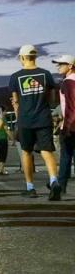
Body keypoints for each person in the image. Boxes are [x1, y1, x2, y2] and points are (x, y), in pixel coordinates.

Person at [9, 44, 61, 200]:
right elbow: (52, 98)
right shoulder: (46, 74)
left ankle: (30, 187)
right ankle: (54, 181)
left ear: (23, 57)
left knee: (26, 152)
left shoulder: (15, 77)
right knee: (46, 151)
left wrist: (19, 118)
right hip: (43, 117)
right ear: (35, 56)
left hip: (25, 119)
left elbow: (16, 101)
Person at [52, 54, 75, 194]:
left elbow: (72, 107)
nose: (58, 66)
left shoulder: (68, 82)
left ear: (71, 66)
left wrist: (67, 127)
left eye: (61, 64)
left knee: (66, 157)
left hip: (71, 127)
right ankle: (60, 187)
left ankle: (60, 188)